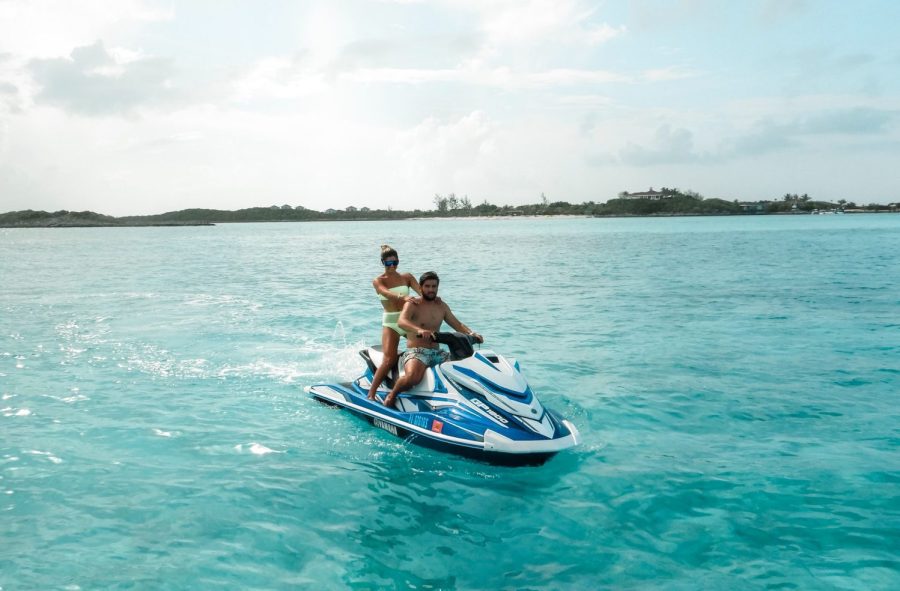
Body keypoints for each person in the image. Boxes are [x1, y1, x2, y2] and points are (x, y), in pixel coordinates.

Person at [382, 271, 482, 408]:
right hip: (417, 352)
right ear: (421, 287)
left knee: (464, 370)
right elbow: (402, 322)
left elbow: (457, 324)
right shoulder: (413, 304)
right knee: (413, 378)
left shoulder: (441, 306)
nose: (431, 290)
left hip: (437, 352)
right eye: (427, 286)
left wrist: (472, 333)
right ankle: (392, 395)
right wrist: (419, 330)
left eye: (434, 286)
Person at [367, 245, 422, 401]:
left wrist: (433, 300)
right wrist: (403, 297)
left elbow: (422, 292)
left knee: (424, 346)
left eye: (395, 263)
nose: (392, 266)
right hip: (391, 322)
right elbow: (386, 293)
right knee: (389, 359)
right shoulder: (378, 281)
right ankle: (371, 393)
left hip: (407, 319)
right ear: (382, 263)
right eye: (388, 263)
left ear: (398, 261)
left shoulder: (407, 277)